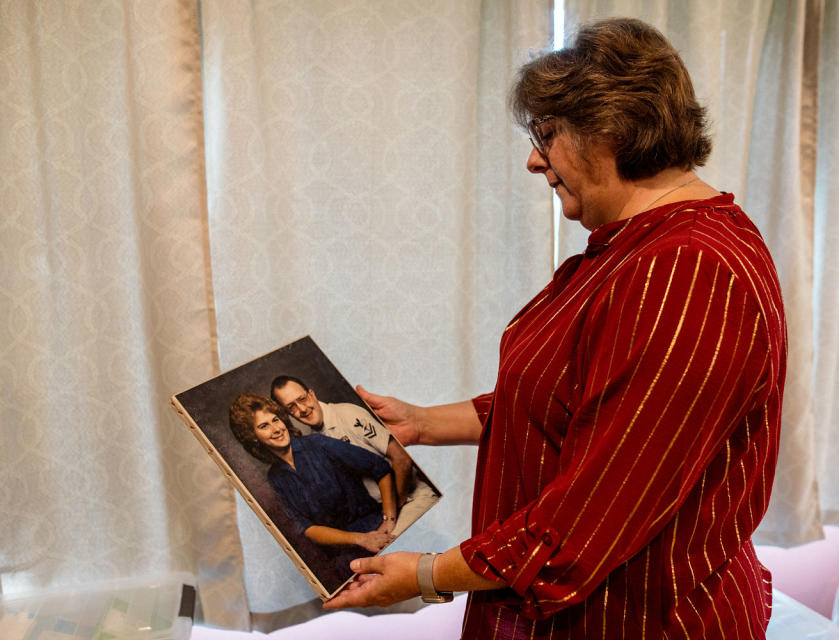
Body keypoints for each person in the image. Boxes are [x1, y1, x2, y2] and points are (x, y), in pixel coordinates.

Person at [324, 17, 786, 640]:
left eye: (547, 134)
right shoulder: (635, 250)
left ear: (612, 128)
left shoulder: (686, 268)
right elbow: (578, 402)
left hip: (635, 621)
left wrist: (428, 575)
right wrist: (424, 423)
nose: (534, 159)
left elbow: (588, 519)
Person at [228, 393, 398, 553]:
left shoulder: (318, 444)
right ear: (253, 437)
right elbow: (307, 528)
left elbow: (379, 468)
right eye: (264, 426)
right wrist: (360, 540)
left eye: (276, 420)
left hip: (377, 529)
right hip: (344, 552)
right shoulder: (275, 477)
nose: (276, 429)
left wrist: (389, 519)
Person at [270, 375, 417, 505]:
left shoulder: (348, 414)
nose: (302, 409)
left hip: (409, 499)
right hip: (375, 512)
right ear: (287, 413)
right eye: (291, 407)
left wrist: (395, 508)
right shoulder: (309, 439)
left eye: (302, 399)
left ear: (312, 394)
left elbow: (402, 458)